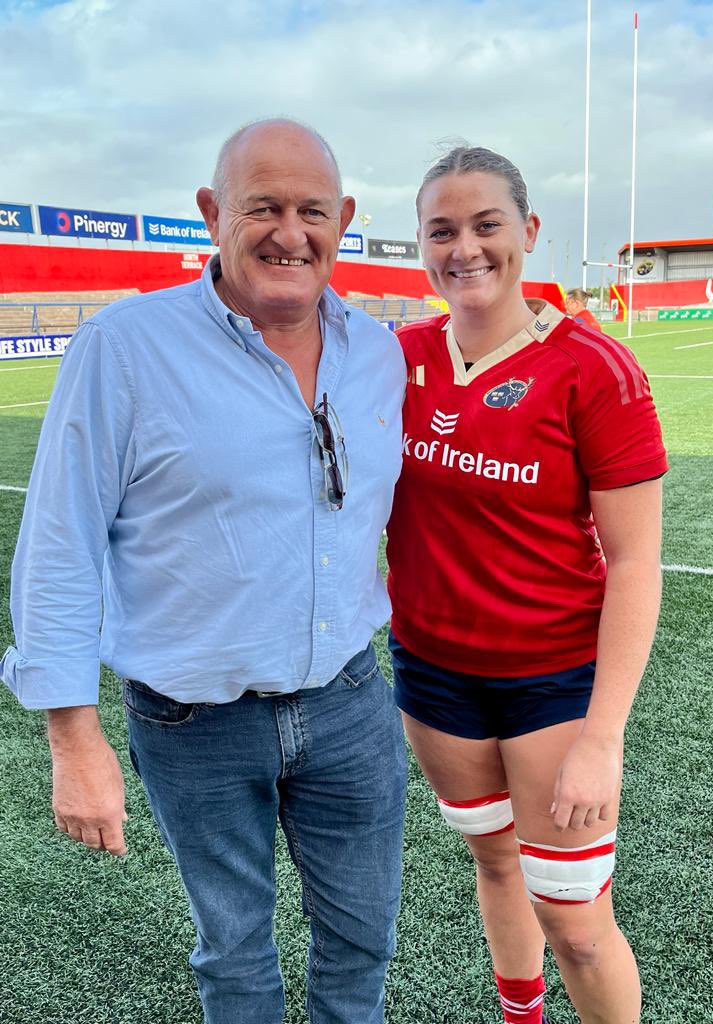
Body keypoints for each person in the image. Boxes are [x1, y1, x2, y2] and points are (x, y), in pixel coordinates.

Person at [1, 119, 408, 1024]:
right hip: (194, 724)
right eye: (262, 206)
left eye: (311, 210)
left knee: (365, 939)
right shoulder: (126, 349)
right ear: (211, 213)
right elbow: (60, 542)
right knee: (234, 952)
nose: (289, 232)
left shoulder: (379, 354)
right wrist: (73, 741)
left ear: (343, 219)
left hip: (349, 705)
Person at [386, 146, 667, 1024]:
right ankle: (521, 1015)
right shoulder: (395, 358)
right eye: (442, 230)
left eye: (485, 225)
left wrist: (604, 738)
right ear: (422, 246)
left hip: (553, 681)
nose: (464, 248)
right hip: (431, 674)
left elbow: (634, 563)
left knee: (577, 922)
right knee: (495, 862)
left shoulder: (595, 369)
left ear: (530, 233)